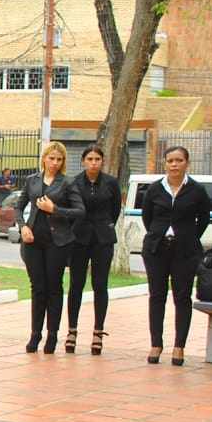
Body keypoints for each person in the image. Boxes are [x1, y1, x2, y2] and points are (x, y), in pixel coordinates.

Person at [142, 145, 212, 366]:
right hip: (157, 249)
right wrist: (159, 234)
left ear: (186, 163)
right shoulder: (154, 189)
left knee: (181, 297)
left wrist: (187, 235)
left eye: (179, 160)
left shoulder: (197, 190)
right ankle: (156, 343)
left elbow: (203, 218)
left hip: (185, 251)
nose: (174, 164)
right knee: (157, 295)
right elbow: (147, 217)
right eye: (170, 160)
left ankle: (179, 346)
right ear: (165, 163)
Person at [15, 141, 83, 354]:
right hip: (33, 241)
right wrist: (23, 226)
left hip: (58, 242)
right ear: (44, 158)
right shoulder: (32, 181)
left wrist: (55, 209)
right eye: (51, 158)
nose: (54, 163)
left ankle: (52, 334)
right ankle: (35, 334)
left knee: (54, 287)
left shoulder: (67, 183)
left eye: (59, 159)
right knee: (38, 287)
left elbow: (80, 211)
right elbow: (19, 206)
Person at [66, 146, 121, 355]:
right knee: (76, 285)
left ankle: (98, 332)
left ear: (102, 161)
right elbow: (70, 209)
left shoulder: (111, 183)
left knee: (100, 285)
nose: (94, 162)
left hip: (102, 239)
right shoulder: (74, 182)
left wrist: (105, 226)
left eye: (97, 158)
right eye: (90, 158)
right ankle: (72, 331)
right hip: (79, 238)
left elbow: (115, 210)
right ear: (83, 161)